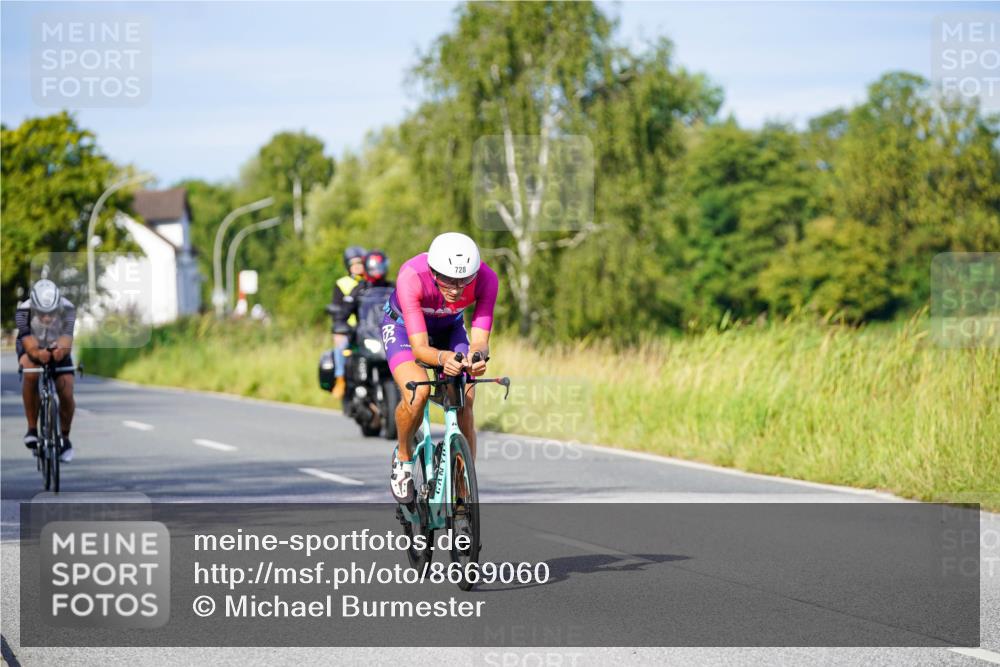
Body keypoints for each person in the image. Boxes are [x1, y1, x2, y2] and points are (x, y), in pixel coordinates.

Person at [381, 232, 498, 503]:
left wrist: (477, 357)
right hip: (402, 329)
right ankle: (403, 458)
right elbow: (421, 349)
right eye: (447, 279)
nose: (456, 289)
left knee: (466, 397)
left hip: (449, 327)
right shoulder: (411, 275)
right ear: (433, 271)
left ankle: (462, 488)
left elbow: (480, 340)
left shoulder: (488, 279)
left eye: (464, 280)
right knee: (417, 394)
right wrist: (445, 359)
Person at [16, 279, 77, 462]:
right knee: (31, 371)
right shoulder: (23, 312)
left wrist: (58, 352)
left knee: (66, 390)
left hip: (57, 345)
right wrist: (38, 353)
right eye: (42, 313)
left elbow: (67, 341)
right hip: (32, 346)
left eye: (51, 313)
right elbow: (29, 344)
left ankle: (64, 439)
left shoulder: (68, 309)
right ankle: (32, 428)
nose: (47, 318)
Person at [329, 246, 366, 398]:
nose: (357, 266)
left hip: (368, 325)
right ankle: (340, 379)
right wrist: (339, 325)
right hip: (348, 327)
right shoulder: (342, 283)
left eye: (360, 262)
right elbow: (336, 308)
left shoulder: (371, 282)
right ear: (348, 266)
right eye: (353, 263)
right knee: (340, 343)